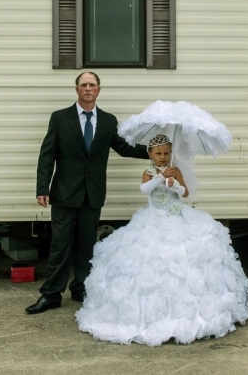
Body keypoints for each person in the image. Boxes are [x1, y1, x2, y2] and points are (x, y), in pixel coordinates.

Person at [75, 134, 248, 346]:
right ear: (150, 154)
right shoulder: (148, 172)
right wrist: (160, 179)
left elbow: (185, 193)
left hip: (176, 215)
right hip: (154, 218)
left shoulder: (175, 170)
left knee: (183, 256)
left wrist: (174, 184)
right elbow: (144, 190)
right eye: (158, 153)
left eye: (166, 153)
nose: (162, 157)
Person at [26, 71, 150, 315]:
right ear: (77, 90)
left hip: (92, 194)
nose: (88, 88)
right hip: (63, 193)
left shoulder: (107, 120)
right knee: (60, 245)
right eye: (83, 85)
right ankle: (51, 294)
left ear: (99, 90)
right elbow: (47, 154)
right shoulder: (60, 118)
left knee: (85, 246)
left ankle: (80, 289)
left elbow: (123, 148)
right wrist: (43, 188)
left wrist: (155, 150)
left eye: (92, 85)